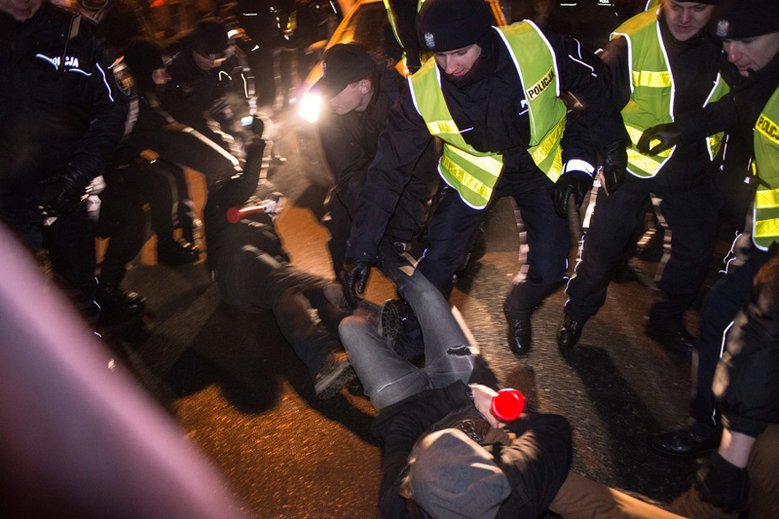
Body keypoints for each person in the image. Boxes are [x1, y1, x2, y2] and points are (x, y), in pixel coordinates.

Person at [342, 0, 625, 357]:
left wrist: (612, 141)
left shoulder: (535, 45)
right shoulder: (422, 91)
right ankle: (410, 344)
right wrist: (360, 249)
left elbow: (593, 81)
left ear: (484, 35)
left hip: (536, 166)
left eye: (459, 52)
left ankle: (519, 305)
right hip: (473, 176)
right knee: (438, 265)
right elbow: (387, 170)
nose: (450, 66)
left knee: (551, 267)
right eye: (439, 55)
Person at [644, 0, 779, 458]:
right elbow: (731, 108)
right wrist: (680, 129)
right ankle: (708, 425)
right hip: (763, 233)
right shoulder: (759, 78)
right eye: (727, 42)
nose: (734, 55)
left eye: (747, 41)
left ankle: (734, 442)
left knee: (752, 336)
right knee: (720, 316)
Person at [338, 254, 572, 517]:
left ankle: (386, 319)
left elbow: (401, 429)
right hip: (463, 388)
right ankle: (386, 255)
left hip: (407, 405)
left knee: (350, 327)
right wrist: (494, 405)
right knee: (427, 296)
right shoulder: (518, 493)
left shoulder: (396, 509)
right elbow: (554, 427)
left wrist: (467, 395)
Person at [557, 0, 729, 356]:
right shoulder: (632, 42)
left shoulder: (731, 37)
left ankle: (665, 320)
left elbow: (743, 100)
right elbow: (591, 107)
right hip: (631, 165)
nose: (684, 19)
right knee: (603, 247)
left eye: (697, 9)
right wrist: (579, 165)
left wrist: (687, 129)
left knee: (695, 253)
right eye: (676, 6)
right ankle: (577, 312)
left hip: (695, 167)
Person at [0, 0, 131, 321]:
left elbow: (113, 105)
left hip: (66, 192)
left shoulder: (77, 34)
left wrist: (76, 176)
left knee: (78, 291)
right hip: (7, 199)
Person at [203, 171, 356, 400]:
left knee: (321, 287)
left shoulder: (264, 222)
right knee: (280, 282)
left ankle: (365, 334)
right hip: (232, 268)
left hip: (266, 271)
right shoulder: (219, 203)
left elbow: (281, 260)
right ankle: (324, 359)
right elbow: (246, 182)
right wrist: (258, 143)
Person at [312, 43, 439, 283]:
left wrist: (396, 235)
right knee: (339, 216)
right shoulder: (332, 111)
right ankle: (345, 294)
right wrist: (364, 240)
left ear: (364, 86)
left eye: (335, 90)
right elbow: (347, 174)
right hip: (374, 185)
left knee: (417, 260)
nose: (327, 99)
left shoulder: (402, 106)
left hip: (407, 188)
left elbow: (419, 178)